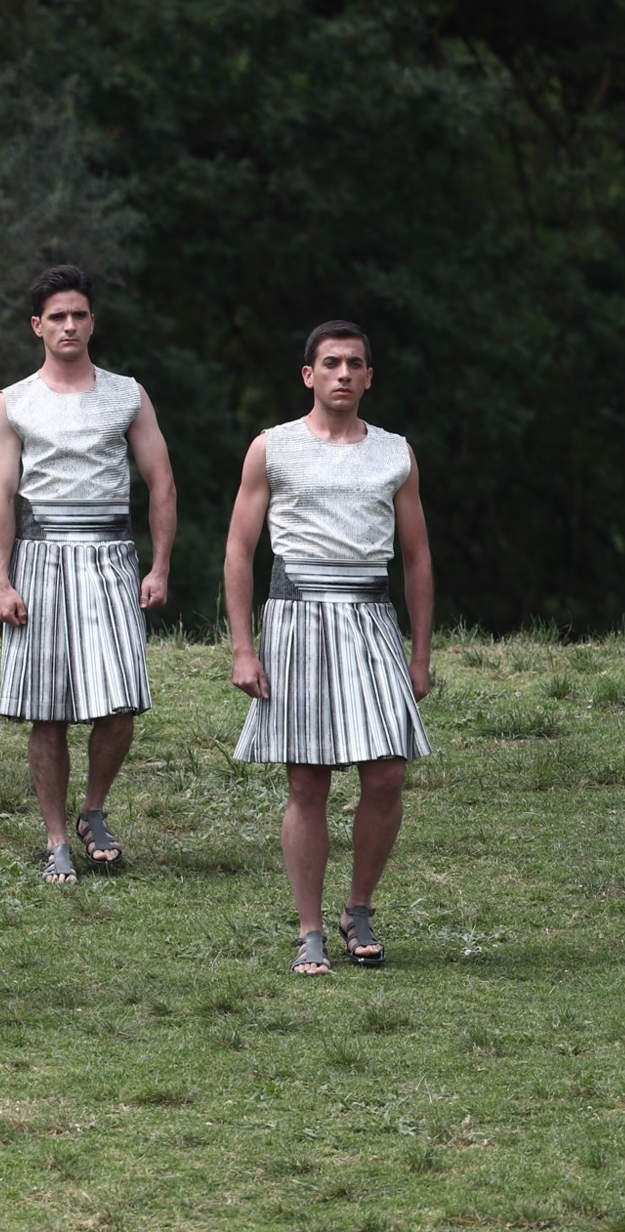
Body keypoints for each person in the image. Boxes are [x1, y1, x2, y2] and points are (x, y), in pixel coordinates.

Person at [224, 320, 432, 975]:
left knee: (387, 771)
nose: (344, 373)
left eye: (356, 363)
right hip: (296, 617)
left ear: (370, 376)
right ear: (309, 374)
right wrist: (243, 647)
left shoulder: (395, 453)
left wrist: (420, 655)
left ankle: (358, 908)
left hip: (371, 617)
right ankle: (309, 929)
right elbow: (239, 550)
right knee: (307, 779)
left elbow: (417, 558)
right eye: (332, 362)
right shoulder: (272, 447)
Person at [0, 265, 176, 881]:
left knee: (119, 701)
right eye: (57, 317)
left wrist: (159, 565)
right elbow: (0, 495)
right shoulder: (13, 401)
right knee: (48, 711)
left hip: (110, 556)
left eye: (79, 315)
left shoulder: (128, 394)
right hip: (39, 558)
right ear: (37, 326)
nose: (68, 325)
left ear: (92, 322)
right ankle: (56, 838)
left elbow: (161, 482)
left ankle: (93, 809)